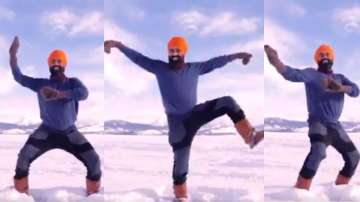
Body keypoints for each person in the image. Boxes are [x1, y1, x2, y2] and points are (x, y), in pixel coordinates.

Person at [104, 36, 263, 200]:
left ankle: (250, 137)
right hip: (177, 123)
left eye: (177, 50)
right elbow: (138, 58)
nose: (174, 54)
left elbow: (215, 62)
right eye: (171, 51)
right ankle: (180, 196)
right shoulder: (159, 67)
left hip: (195, 113)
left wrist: (237, 56)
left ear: (184, 52)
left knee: (228, 102)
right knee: (181, 161)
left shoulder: (195, 68)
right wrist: (118, 45)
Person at [9, 36, 102, 195]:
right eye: (53, 62)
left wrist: (59, 94)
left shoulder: (73, 83)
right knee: (23, 158)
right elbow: (19, 77)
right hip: (46, 132)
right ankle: (19, 197)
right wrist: (12, 57)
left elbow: (84, 94)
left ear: (64, 64)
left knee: (94, 161)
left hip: (70, 133)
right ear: (49, 65)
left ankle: (93, 196)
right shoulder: (40, 84)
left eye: (59, 62)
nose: (56, 64)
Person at [264, 44, 360, 190]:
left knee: (354, 157)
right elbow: (291, 74)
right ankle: (300, 191)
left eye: (327, 55)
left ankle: (341, 191)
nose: (325, 57)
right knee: (318, 152)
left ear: (332, 58)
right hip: (318, 124)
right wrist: (276, 62)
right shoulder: (312, 74)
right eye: (321, 55)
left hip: (336, 126)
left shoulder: (340, 77)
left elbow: (356, 91)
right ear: (317, 59)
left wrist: (341, 88)